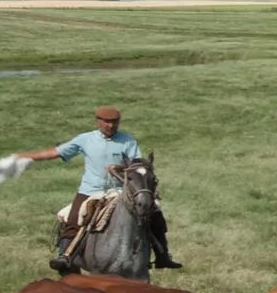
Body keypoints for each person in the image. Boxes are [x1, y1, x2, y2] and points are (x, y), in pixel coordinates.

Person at [21, 105, 180, 270]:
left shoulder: (128, 140)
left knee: (155, 213)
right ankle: (65, 256)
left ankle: (163, 256)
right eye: (106, 122)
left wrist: (117, 168)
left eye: (114, 122)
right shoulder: (85, 139)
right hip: (90, 190)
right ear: (98, 121)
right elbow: (56, 152)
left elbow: (137, 165)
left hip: (121, 190)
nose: (110, 126)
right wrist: (26, 157)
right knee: (74, 218)